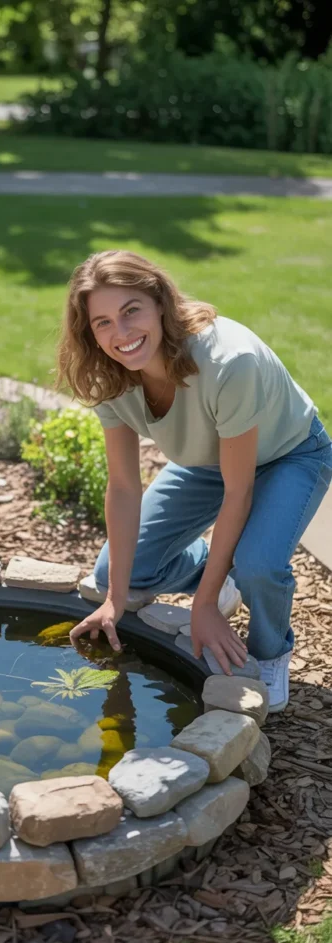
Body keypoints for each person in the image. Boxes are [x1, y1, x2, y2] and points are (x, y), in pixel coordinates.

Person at [60, 250, 332, 713]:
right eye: (102, 322)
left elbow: (239, 490)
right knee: (115, 574)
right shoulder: (108, 375)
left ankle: (269, 652)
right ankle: (217, 577)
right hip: (205, 462)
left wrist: (202, 606)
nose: (121, 334)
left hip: (290, 454)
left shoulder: (229, 361)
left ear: (160, 303)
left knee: (259, 565)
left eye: (131, 312)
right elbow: (124, 486)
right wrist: (113, 600)